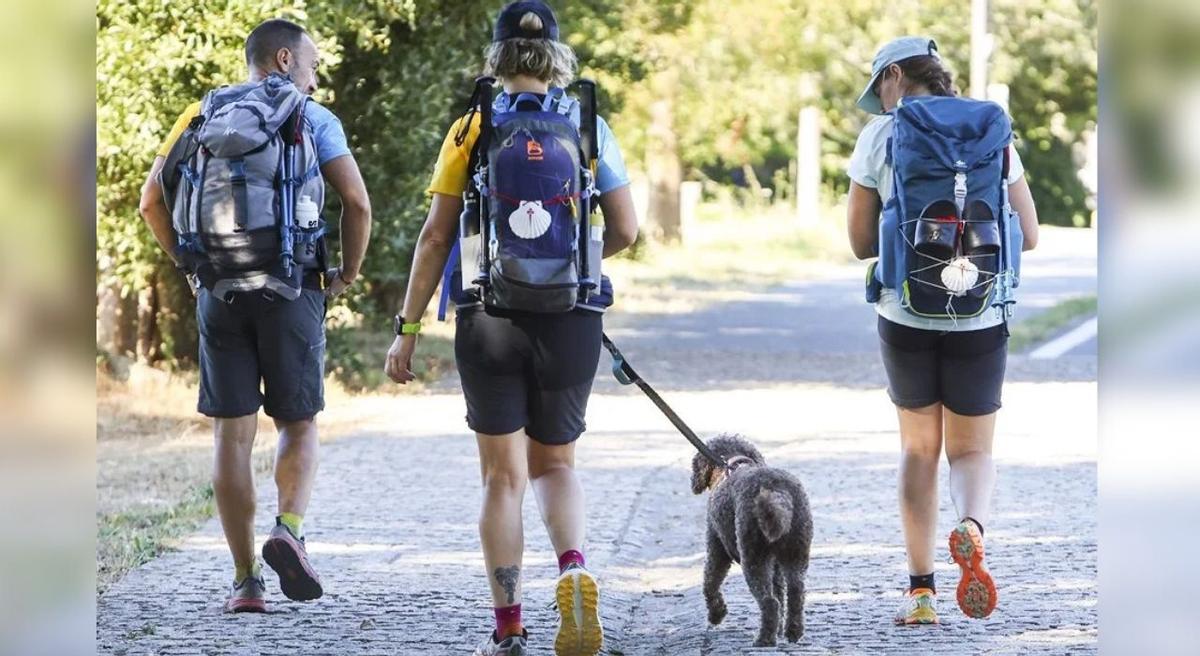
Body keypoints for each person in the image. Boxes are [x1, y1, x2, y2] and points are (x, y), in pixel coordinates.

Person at [383, 3, 638, 654]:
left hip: (488, 314)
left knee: (503, 477)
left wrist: (407, 328)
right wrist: (569, 264)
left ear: (495, 60)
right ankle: (574, 566)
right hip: (571, 314)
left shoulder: (471, 127)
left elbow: (437, 234)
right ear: (555, 58)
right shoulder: (588, 124)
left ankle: (509, 627)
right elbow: (629, 230)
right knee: (556, 464)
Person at [138, 18, 372, 613]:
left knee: (231, 434)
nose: (317, 80)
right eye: (314, 67)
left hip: (220, 290)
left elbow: (150, 200)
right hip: (293, 288)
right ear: (286, 58)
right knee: (299, 423)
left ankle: (245, 582)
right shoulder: (313, 119)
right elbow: (358, 202)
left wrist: (193, 266)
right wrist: (345, 273)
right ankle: (288, 528)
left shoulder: (200, 114)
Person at [845, 37, 1040, 625]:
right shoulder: (991, 130)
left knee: (918, 448)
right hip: (980, 311)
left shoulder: (881, 135)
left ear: (896, 75)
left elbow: (858, 243)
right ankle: (971, 527)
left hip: (906, 313)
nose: (880, 100)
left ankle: (921, 592)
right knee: (973, 450)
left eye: (880, 86)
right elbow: (1027, 234)